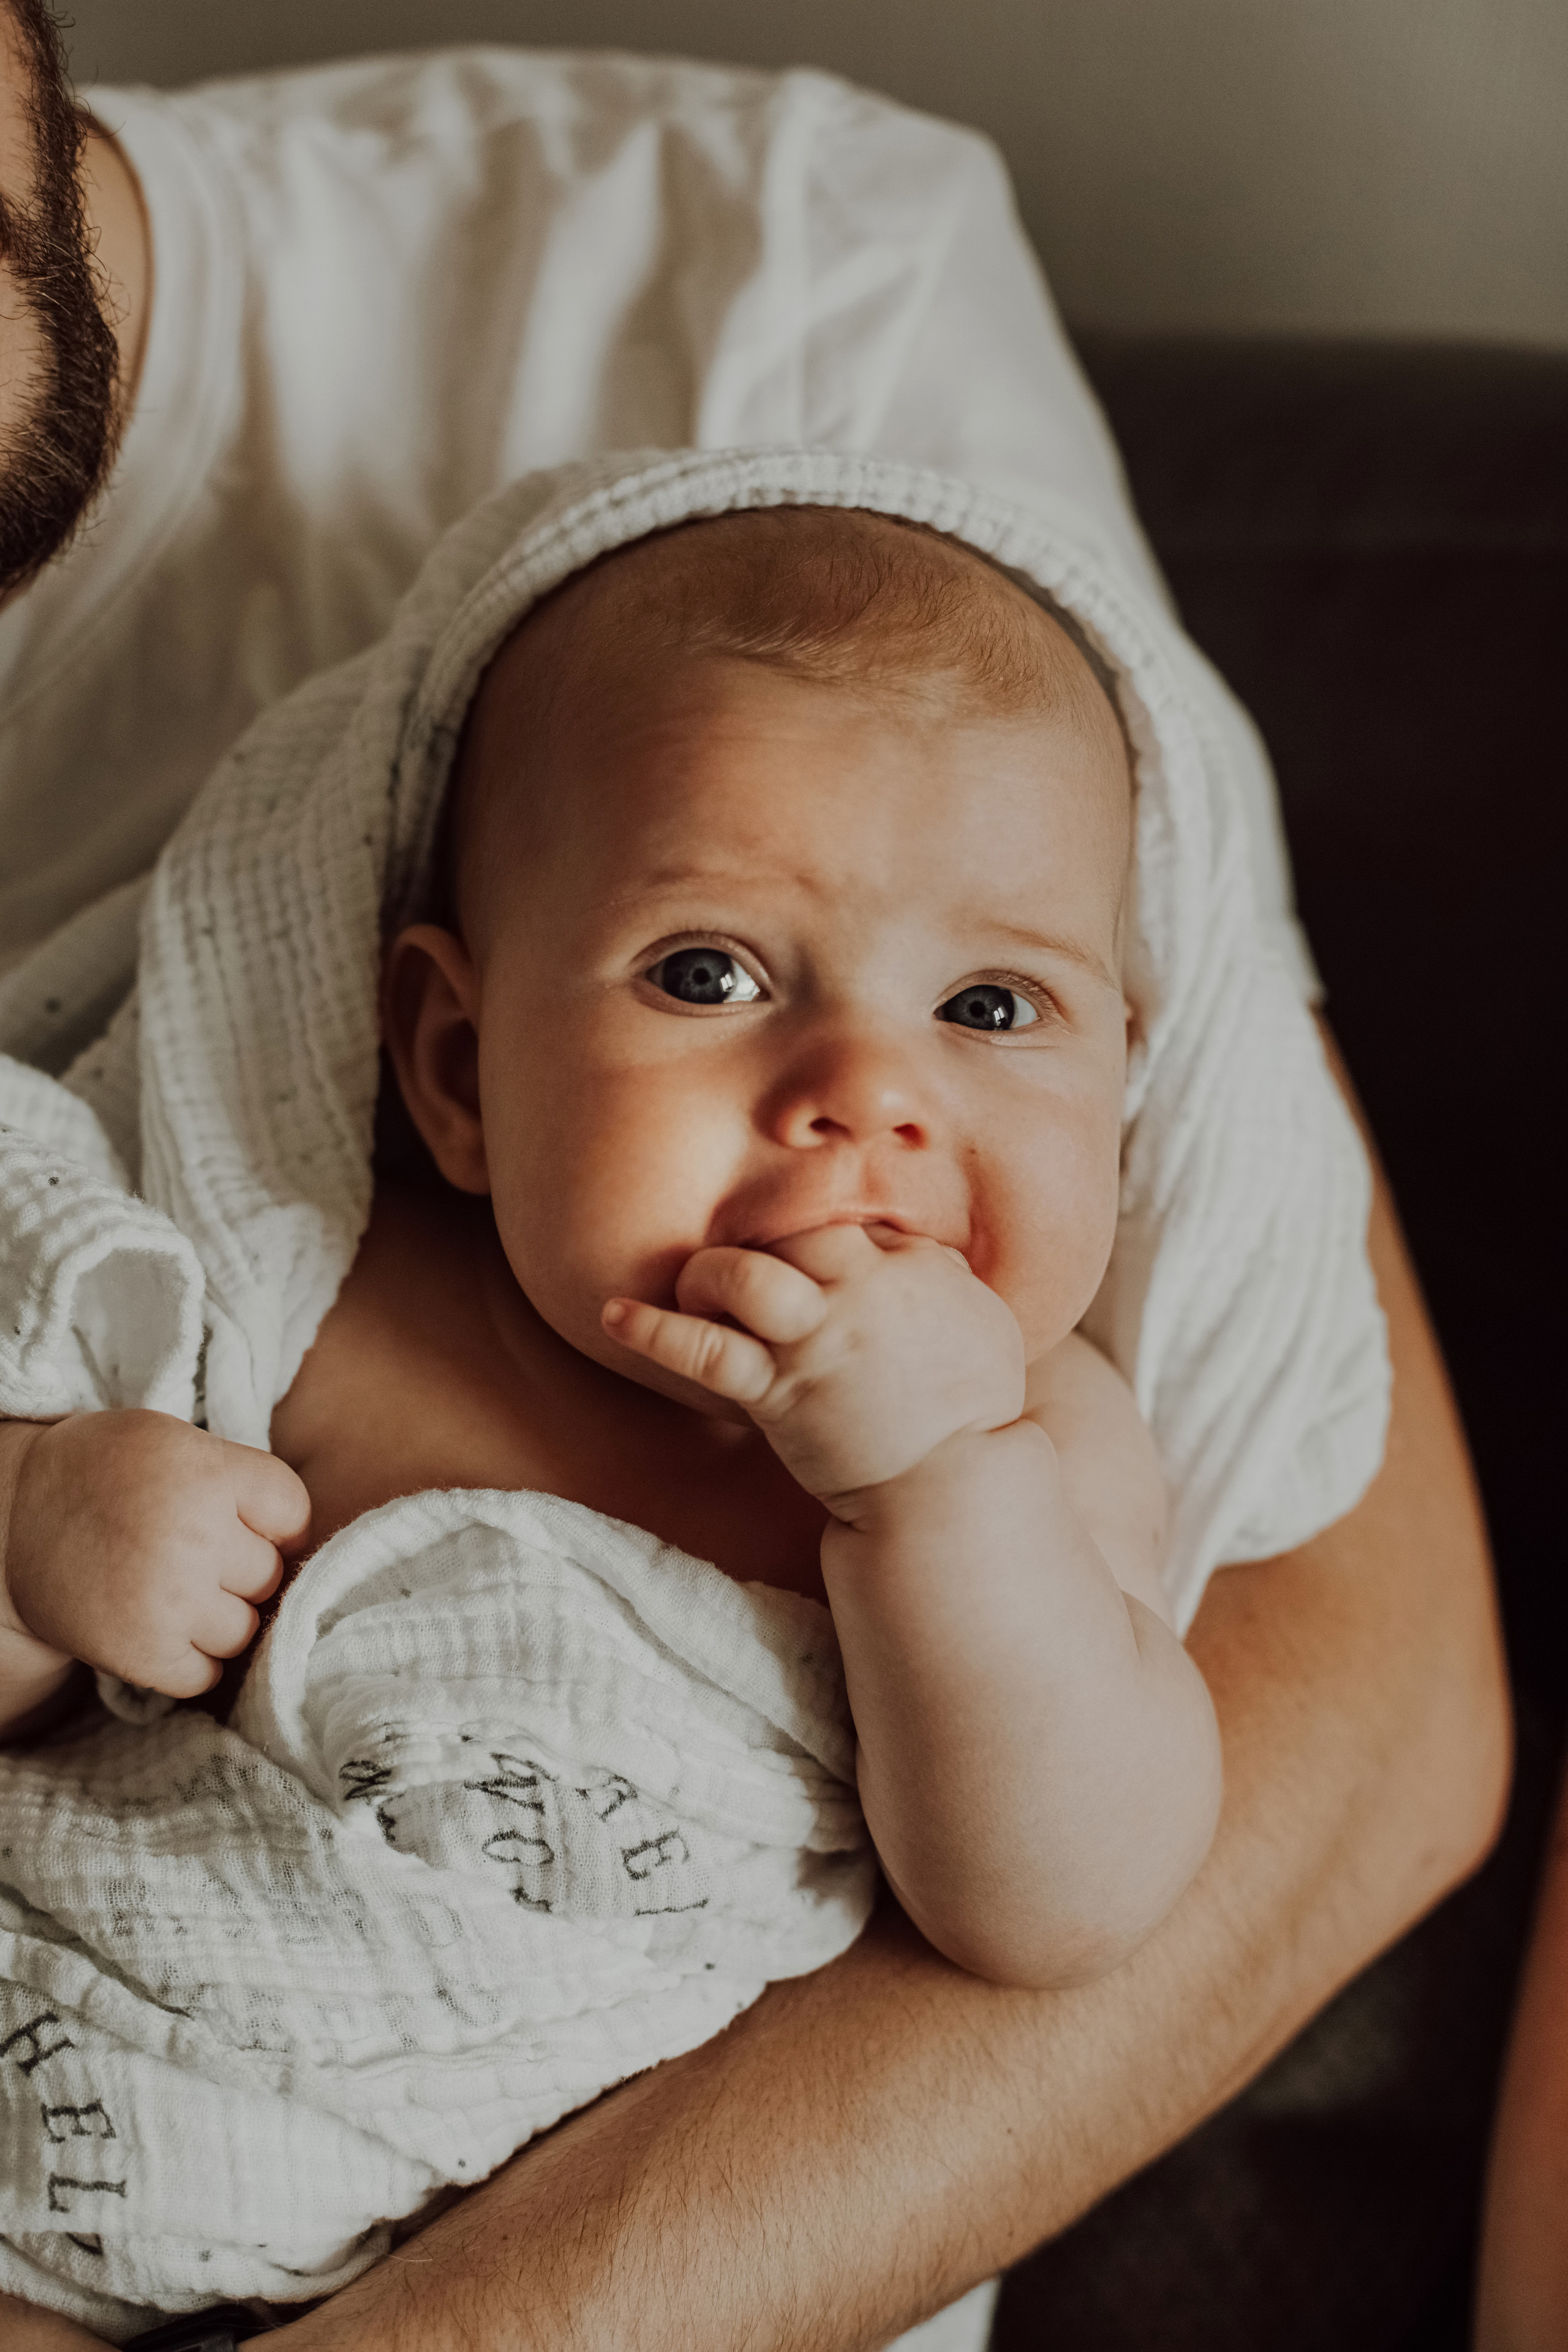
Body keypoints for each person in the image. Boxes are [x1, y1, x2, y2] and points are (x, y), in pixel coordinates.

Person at [0, 6, 1509, 2349]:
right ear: (456, 1065)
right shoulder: (281, 1263)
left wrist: (937, 1513)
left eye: (995, 1015)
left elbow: (1070, 1894)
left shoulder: (1030, 1456)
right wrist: (40, 1524)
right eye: (708, 970)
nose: (857, 1097)